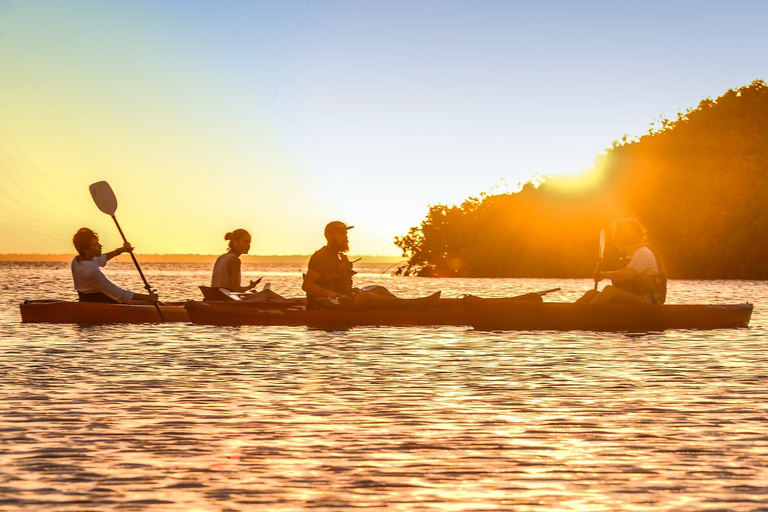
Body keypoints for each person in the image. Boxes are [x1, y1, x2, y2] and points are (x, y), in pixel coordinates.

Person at [302, 221, 441, 310]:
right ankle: (414, 306)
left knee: (378, 289)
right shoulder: (322, 256)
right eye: (341, 233)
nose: (346, 236)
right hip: (326, 304)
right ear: (330, 236)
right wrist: (331, 294)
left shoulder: (339, 255)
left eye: (346, 233)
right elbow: (307, 286)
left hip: (342, 299)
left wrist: (350, 290)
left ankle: (404, 307)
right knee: (367, 298)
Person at [576, 219, 666, 305]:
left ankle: (584, 316)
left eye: (617, 237)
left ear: (624, 237)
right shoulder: (632, 255)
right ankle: (569, 313)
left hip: (649, 300)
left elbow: (626, 275)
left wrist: (603, 274)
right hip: (636, 297)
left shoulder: (643, 253)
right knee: (592, 293)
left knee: (609, 290)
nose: (616, 242)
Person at [71, 228, 158, 304]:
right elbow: (120, 295)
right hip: (104, 304)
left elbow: (101, 259)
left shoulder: (77, 261)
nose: (100, 246)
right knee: (153, 303)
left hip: (89, 301)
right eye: (95, 245)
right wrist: (148, 297)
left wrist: (120, 250)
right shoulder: (92, 272)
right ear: (86, 251)